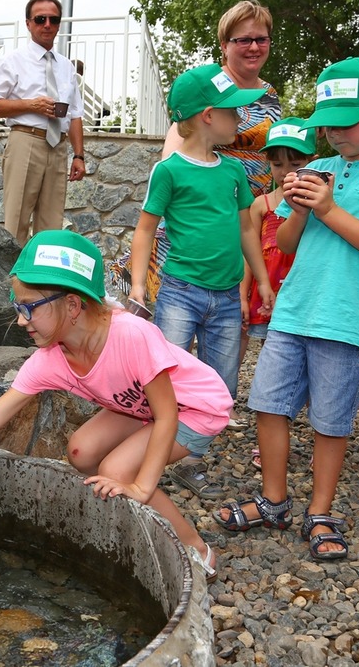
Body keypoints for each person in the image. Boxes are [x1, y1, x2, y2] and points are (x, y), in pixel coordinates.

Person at [0, 229, 231, 581]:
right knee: (80, 451)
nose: (20, 320)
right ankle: (133, 500)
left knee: (118, 471)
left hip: (193, 408)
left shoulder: (131, 336)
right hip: (139, 408)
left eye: (29, 308)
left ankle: (195, 548)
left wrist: (141, 485)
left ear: (73, 305)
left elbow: (167, 415)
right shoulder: (51, 360)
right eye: (17, 307)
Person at [215, 57, 359, 560]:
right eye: (326, 123)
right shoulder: (318, 168)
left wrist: (330, 208)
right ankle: (274, 499)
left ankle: (321, 510)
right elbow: (285, 241)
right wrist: (302, 207)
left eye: (345, 121)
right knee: (268, 403)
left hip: (345, 318)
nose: (333, 133)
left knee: (331, 420)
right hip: (294, 310)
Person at [126, 64, 275, 498]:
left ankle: (187, 455)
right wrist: (138, 285)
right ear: (209, 115)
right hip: (180, 292)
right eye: (234, 113)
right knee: (165, 378)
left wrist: (260, 280)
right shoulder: (169, 171)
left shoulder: (232, 172)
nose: (242, 120)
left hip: (228, 294)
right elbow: (145, 229)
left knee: (222, 385)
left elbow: (248, 229)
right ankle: (160, 452)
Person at [108, 0, 282, 304]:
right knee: (178, 311)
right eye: (244, 40)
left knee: (231, 314)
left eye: (261, 39)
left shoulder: (269, 94)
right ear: (225, 45)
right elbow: (178, 154)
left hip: (245, 218)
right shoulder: (208, 87)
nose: (254, 47)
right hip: (200, 220)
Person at [240, 117, 315, 471]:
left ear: (312, 158)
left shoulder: (320, 202)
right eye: (277, 162)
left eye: (296, 162)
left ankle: (315, 432)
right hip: (268, 294)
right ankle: (273, 433)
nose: (286, 170)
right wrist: (245, 294)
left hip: (305, 294)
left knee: (312, 365)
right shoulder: (261, 205)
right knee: (275, 364)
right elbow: (249, 254)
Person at [0, 0, 86, 245]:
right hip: (26, 141)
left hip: (58, 146)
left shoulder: (66, 67)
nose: (47, 24)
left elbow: (75, 113)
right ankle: (10, 282)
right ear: (28, 23)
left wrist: (79, 155)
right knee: (16, 220)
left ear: (59, 24)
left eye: (53, 19)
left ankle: (42, 283)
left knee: (51, 227)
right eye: (40, 19)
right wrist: (31, 105)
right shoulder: (13, 60)